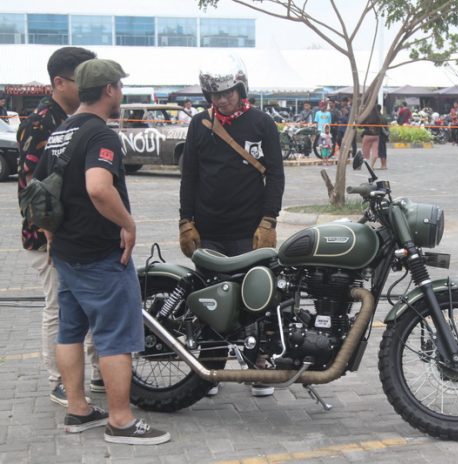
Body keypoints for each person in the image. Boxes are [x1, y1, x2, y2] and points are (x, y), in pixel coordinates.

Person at [33, 58, 169, 444]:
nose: (121, 93)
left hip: (67, 252)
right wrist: (128, 224)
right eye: (120, 87)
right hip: (99, 254)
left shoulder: (60, 132)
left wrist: (51, 237)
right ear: (109, 89)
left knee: (70, 331)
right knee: (115, 336)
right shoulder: (99, 134)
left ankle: (78, 409)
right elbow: (98, 187)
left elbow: (39, 192)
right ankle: (121, 421)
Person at [179, 56, 285, 398]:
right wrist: (185, 220)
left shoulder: (262, 123)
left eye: (227, 93)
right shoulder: (199, 125)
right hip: (209, 232)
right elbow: (189, 176)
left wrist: (269, 219)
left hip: (249, 232)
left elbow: (276, 175)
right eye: (215, 95)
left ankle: (258, 366)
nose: (222, 100)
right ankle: (212, 370)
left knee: (256, 301)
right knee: (212, 303)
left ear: (241, 90)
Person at [15, 47, 103, 407]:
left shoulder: (80, 118)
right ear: (59, 82)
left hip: (80, 235)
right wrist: (50, 235)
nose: (88, 86)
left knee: (90, 306)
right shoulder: (40, 124)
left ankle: (99, 373)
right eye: (81, 79)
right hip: (48, 238)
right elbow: (34, 190)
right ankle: (59, 381)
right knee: (59, 309)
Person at [376, 103, 388, 170]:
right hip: (384, 135)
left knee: (381, 151)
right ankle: (384, 165)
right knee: (383, 150)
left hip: (380, 135)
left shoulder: (377, 117)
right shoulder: (383, 117)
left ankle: (383, 165)